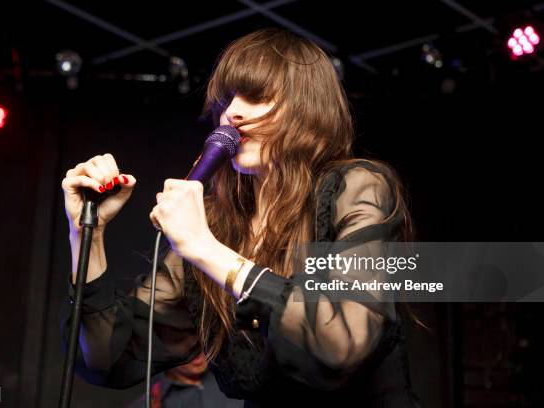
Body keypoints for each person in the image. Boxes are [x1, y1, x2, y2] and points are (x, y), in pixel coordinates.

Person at [60, 28, 421, 407]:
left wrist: (205, 250)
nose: (232, 112)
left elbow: (341, 343)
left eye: (255, 96)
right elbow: (105, 359)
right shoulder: (219, 227)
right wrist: (87, 233)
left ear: (306, 106)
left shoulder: (357, 186)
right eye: (226, 100)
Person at [126, 352, 243, 408]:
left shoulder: (239, 379)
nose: (196, 351)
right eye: (182, 340)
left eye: (199, 337)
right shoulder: (148, 403)